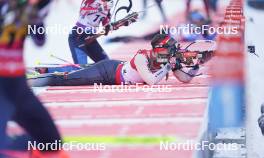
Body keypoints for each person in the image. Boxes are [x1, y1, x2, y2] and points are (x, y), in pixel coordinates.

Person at [0, 0, 69, 158]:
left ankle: (9, 148)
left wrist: (35, 16)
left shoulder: (29, 7)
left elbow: (40, 40)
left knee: (52, 143)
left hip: (17, 85)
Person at [28, 34, 201, 87]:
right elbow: (151, 81)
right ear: (161, 49)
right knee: (69, 79)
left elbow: (185, 79)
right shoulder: (143, 57)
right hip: (108, 72)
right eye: (171, 49)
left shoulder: (166, 59)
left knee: (78, 70)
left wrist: (194, 68)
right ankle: (32, 80)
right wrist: (167, 68)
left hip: (115, 70)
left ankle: (44, 70)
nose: (174, 52)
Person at [68, 0, 114, 64]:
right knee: (81, 68)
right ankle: (50, 70)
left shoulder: (108, 4)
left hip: (91, 38)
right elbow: (83, 11)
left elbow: (105, 24)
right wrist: (100, 8)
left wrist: (110, 26)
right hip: (78, 36)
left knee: (107, 64)